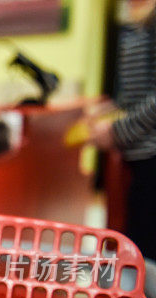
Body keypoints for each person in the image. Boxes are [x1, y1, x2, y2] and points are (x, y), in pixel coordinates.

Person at [86, 3, 156, 260]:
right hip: (139, 154)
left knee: (145, 251)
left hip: (151, 154)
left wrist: (116, 130)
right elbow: (140, 92)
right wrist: (112, 107)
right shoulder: (134, 20)